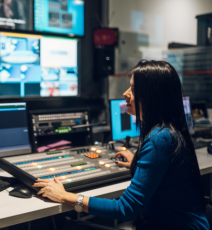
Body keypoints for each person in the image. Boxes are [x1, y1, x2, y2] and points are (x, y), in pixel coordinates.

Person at [33, 60, 210, 230]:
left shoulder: (160, 139)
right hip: (171, 224)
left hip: (172, 227)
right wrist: (138, 163)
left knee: (71, 226)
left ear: (152, 95)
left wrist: (65, 196)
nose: (125, 93)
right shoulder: (169, 132)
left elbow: (125, 209)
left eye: (133, 89)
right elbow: (166, 177)